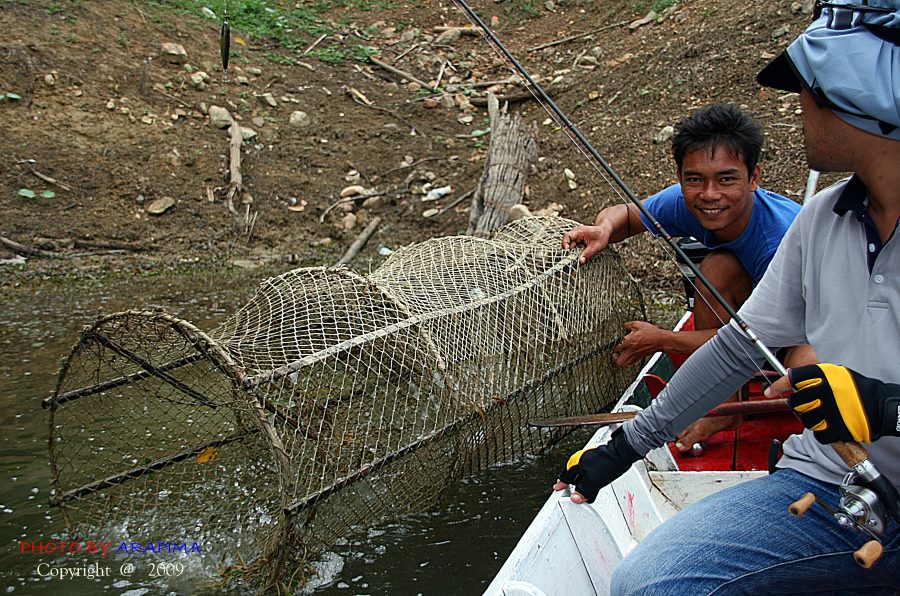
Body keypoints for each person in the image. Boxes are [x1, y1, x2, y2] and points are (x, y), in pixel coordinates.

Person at [555, 2, 900, 593]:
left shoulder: (784, 226)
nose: (802, 107)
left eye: (808, 90)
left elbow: (798, 358)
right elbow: (743, 347)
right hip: (834, 487)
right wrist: (626, 446)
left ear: (856, 93)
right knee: (647, 583)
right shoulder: (822, 219)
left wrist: (886, 406)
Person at [562, 102, 805, 450]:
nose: (709, 195)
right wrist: (603, 229)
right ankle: (728, 404)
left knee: (806, 367)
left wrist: (662, 339)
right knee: (718, 266)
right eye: (695, 179)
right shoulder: (688, 201)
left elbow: (754, 345)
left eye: (726, 179)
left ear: (754, 178)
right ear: (681, 179)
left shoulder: (781, 244)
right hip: (763, 319)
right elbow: (626, 216)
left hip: (820, 330)